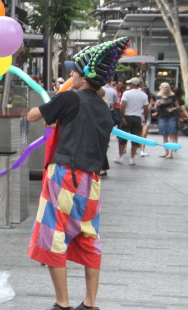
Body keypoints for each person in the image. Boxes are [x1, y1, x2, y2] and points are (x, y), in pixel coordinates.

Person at [25, 37, 130, 310]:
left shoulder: (70, 97)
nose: (70, 74)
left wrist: (56, 97)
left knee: (52, 235)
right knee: (88, 237)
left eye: (74, 71)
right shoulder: (103, 108)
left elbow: (34, 116)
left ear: (84, 77)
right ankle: (90, 303)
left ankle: (63, 303)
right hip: (91, 181)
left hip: (65, 175)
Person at [114, 77, 149, 165]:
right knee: (135, 137)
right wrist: (145, 118)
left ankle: (120, 156)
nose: (128, 85)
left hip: (128, 116)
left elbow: (123, 106)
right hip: (138, 117)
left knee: (122, 137)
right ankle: (132, 158)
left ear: (133, 84)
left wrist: (122, 118)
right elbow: (146, 108)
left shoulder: (127, 93)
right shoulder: (144, 95)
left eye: (129, 83)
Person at [152, 82, 180, 158]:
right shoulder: (158, 96)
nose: (164, 89)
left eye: (166, 87)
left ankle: (170, 153)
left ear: (168, 88)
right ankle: (166, 152)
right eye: (163, 87)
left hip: (171, 116)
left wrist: (172, 109)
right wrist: (156, 104)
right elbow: (155, 109)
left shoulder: (172, 96)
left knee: (171, 134)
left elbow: (178, 106)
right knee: (164, 135)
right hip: (162, 116)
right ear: (161, 88)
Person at [139, 87, 154, 157]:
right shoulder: (138, 98)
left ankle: (142, 150)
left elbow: (149, 107)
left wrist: (143, 111)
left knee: (144, 134)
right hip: (139, 116)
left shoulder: (150, 99)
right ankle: (138, 148)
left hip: (146, 117)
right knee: (139, 134)